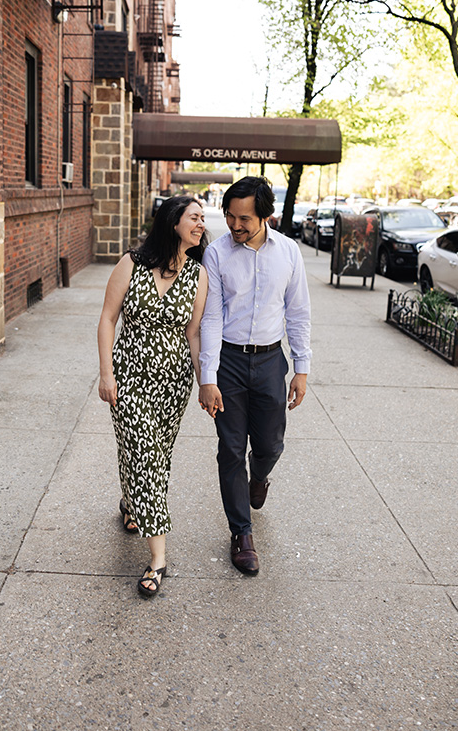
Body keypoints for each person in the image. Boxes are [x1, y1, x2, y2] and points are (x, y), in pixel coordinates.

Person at [198, 177, 312, 576]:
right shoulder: (216, 253)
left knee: (270, 444)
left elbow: (297, 312)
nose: (234, 224)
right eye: (229, 216)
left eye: (243, 218)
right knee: (230, 448)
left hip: (269, 363)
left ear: (266, 215)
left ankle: (259, 477)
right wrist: (207, 377)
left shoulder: (289, 252)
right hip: (228, 362)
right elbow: (211, 316)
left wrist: (301, 368)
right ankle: (241, 534)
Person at [97, 195, 209, 598]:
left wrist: (205, 382)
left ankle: (130, 503)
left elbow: (193, 334)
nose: (201, 224)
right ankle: (158, 559)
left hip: (172, 384)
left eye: (202, 220)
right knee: (145, 455)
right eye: (194, 217)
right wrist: (106, 373)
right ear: (173, 222)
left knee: (152, 456)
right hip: (127, 379)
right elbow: (108, 319)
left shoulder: (198, 275)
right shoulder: (131, 264)